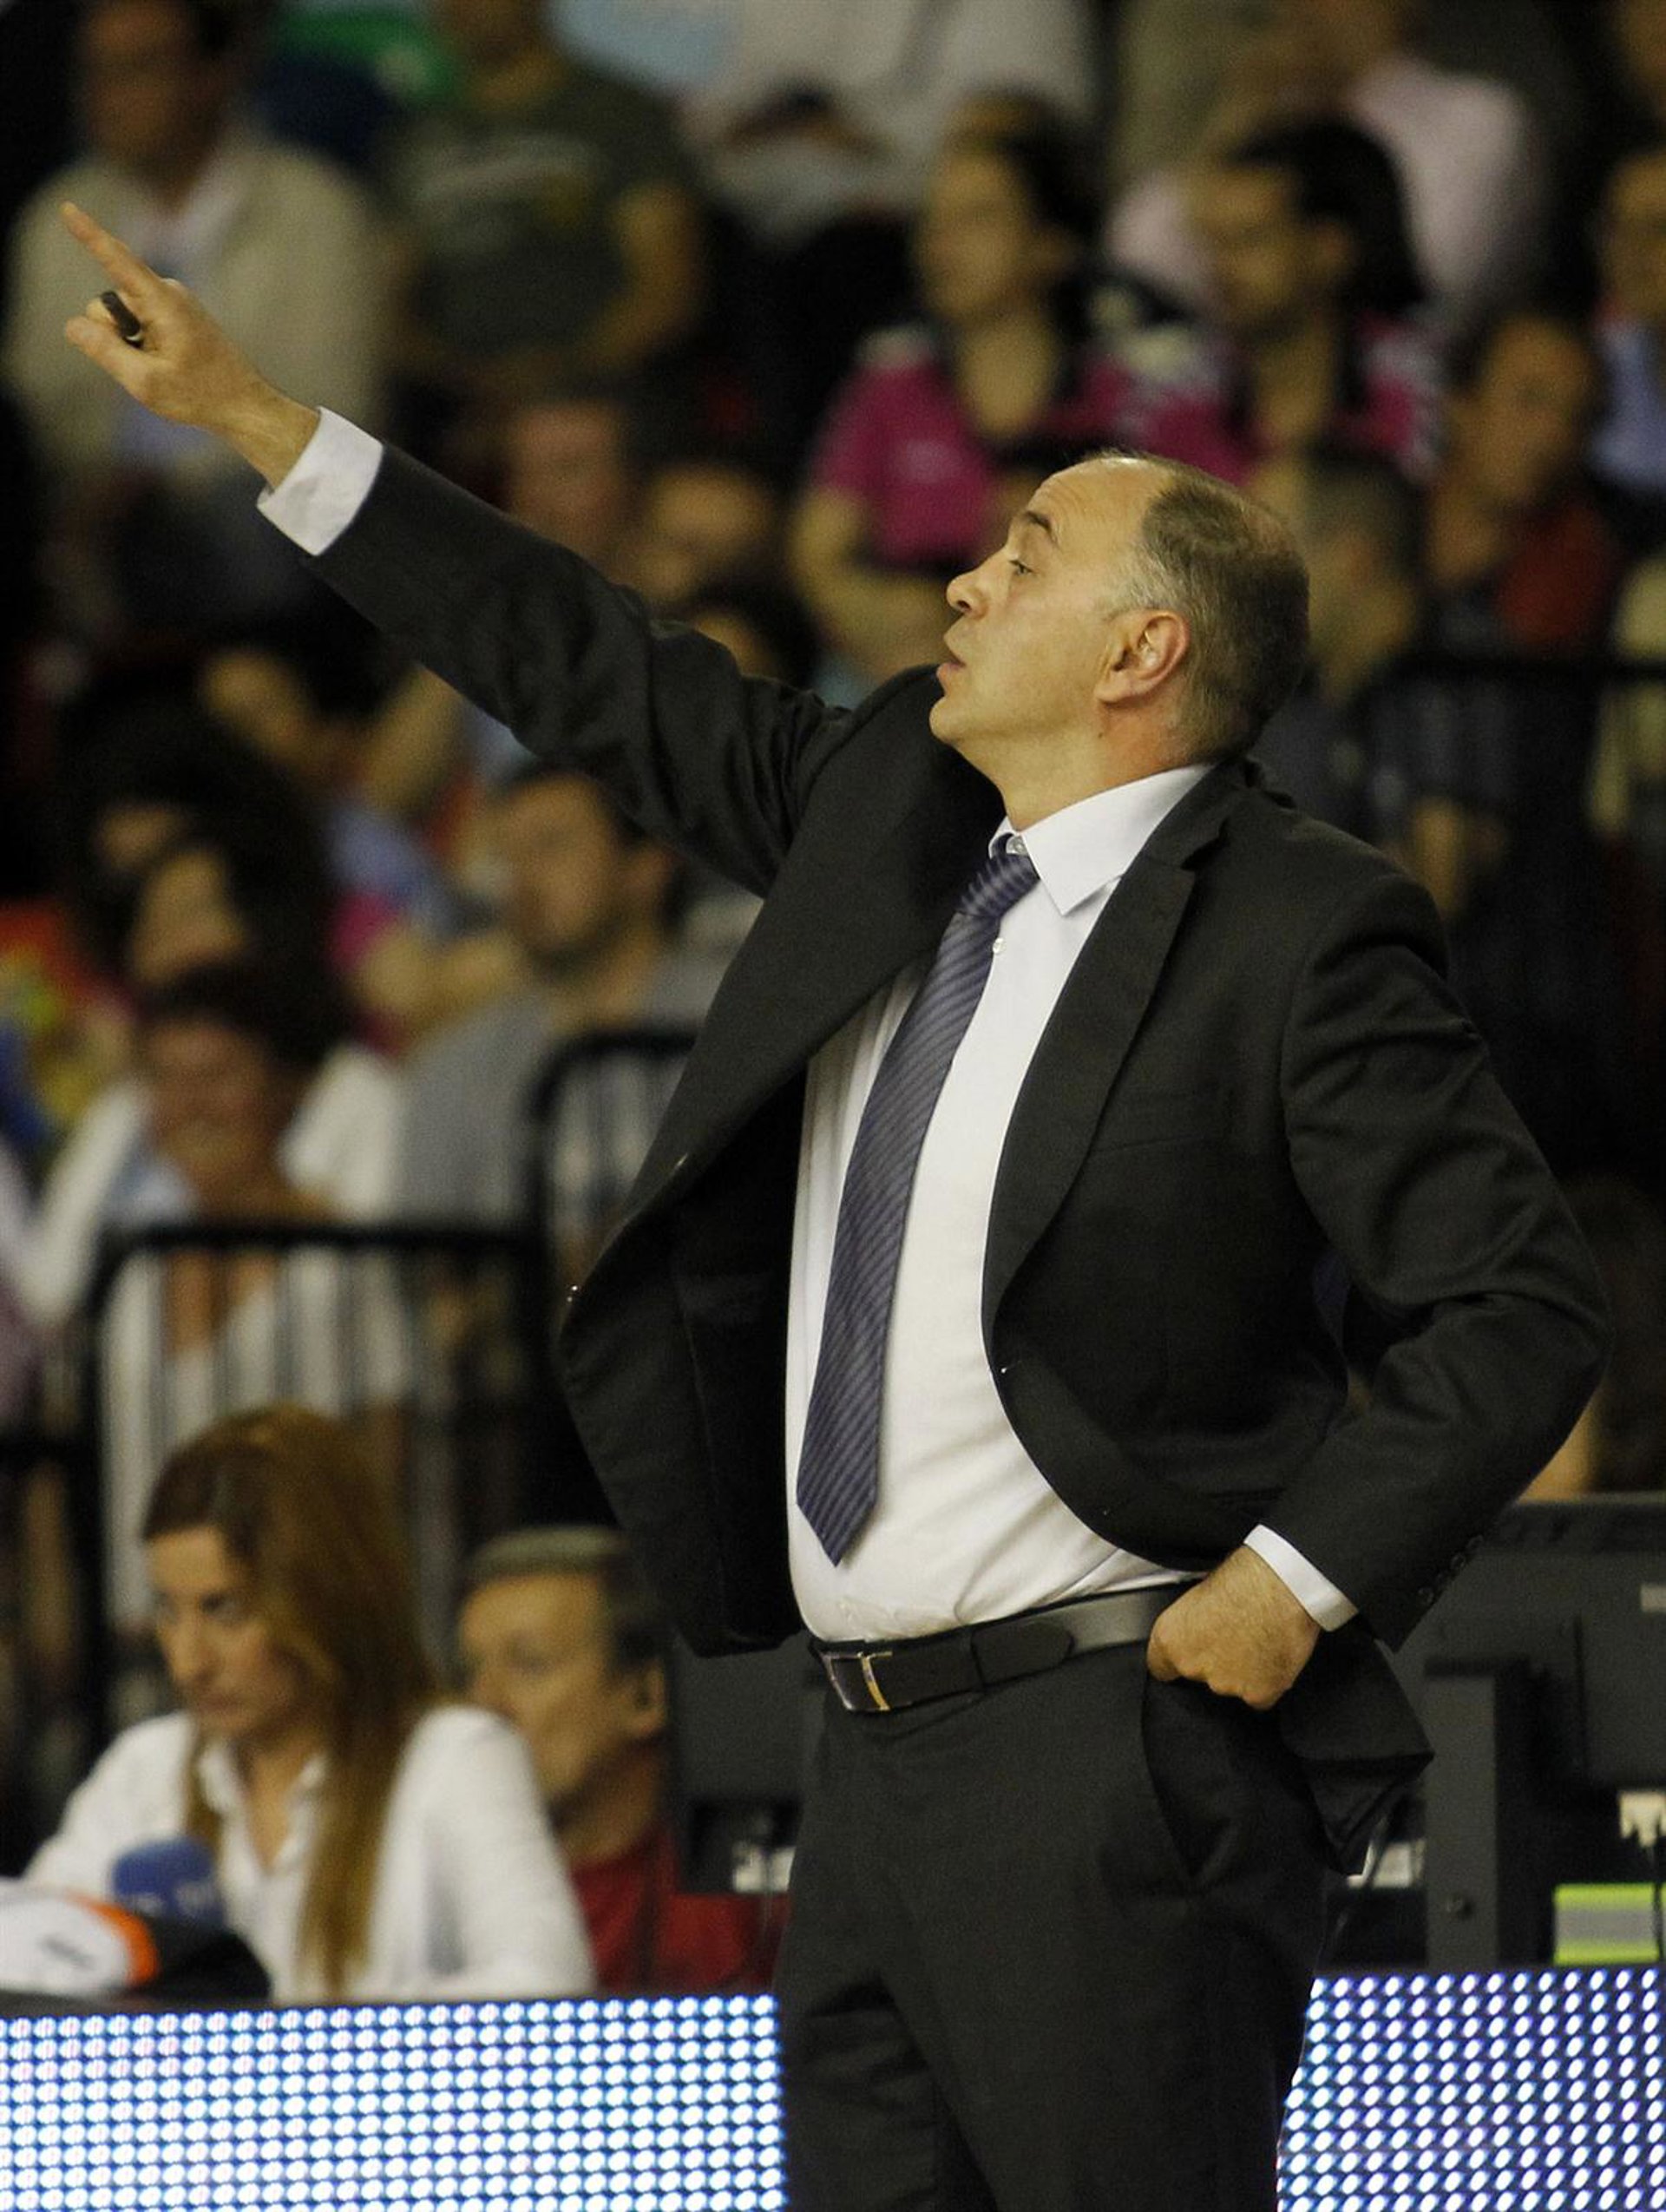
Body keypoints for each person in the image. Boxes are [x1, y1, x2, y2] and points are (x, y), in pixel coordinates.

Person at [60, 205, 1610, 2211]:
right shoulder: (893, 807)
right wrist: (268, 423)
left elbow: (1516, 1303)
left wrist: (1289, 1582)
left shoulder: (1300, 927)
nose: (963, 577)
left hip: (1114, 1747)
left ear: (1142, 652)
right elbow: (589, 666)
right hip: (854, 1756)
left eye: (1025, 557)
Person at [28, 1405, 594, 2001]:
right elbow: (25, 1972)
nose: (189, 1662)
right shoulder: (144, 1769)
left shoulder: (456, 1757)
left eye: (225, 1609)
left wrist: (305, 2045)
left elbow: (546, 1985)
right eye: (168, 1610)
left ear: (327, 1597)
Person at [3, 0, 383, 638]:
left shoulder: (315, 207)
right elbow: (36, 401)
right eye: (95, 72)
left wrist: (165, 481)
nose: (107, 96)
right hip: (89, 507)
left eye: (139, 67)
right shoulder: (56, 218)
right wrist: (102, 483)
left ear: (214, 73)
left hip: (253, 503)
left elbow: (339, 413)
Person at [792, 121, 1132, 685]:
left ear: (1052, 245)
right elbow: (817, 555)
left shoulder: (1125, 395)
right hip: (897, 667)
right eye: (933, 220)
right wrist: (885, 617)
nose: (941, 243)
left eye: (979, 217)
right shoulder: (890, 384)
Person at [394, 763, 723, 1245]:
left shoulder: (731, 1020)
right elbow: (430, 1266)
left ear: (647, 864)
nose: (521, 881)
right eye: (507, 856)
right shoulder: (457, 1064)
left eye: (551, 846)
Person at [458, 1524, 779, 1993]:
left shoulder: (752, 1900)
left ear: (645, 1696)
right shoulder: (440, 1890)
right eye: (468, 1672)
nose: (484, 1706)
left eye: (530, 1664)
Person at [1131, 118, 1437, 487]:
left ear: (1328, 249)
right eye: (1214, 243)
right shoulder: (1175, 402)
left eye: (1250, 239)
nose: (1220, 267)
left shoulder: (1411, 386)